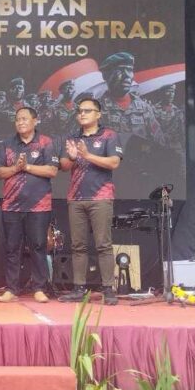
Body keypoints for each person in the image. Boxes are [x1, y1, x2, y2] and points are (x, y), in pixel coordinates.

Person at [58, 98, 123, 306]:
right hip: (76, 198)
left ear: (98, 114)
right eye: (79, 111)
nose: (82, 114)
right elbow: (64, 165)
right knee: (78, 246)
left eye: (87, 110)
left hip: (101, 198)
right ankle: (78, 288)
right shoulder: (72, 137)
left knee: (103, 245)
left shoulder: (109, 135)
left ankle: (108, 289)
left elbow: (113, 162)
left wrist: (87, 155)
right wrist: (73, 157)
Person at [0, 107, 59, 303]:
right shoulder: (7, 144)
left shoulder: (46, 143)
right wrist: (15, 168)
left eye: (24, 119)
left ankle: (39, 287)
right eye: (17, 119)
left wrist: (27, 167)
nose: (20, 122)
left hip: (39, 205)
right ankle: (12, 288)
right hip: (12, 205)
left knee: (38, 246)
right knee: (12, 247)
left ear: (35, 121)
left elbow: (52, 170)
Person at [97, 52, 165, 146]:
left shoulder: (144, 108)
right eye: (120, 71)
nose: (127, 76)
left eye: (129, 70)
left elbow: (160, 141)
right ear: (105, 76)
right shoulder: (95, 109)